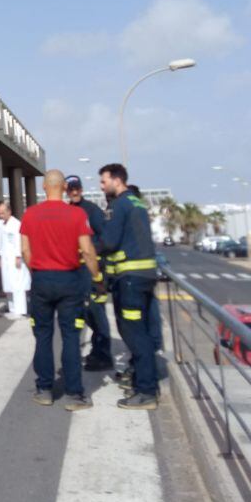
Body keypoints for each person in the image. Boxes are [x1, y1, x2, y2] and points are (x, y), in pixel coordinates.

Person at [20, 169, 104, 412]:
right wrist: (97, 277)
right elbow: (87, 251)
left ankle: (44, 389)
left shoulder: (31, 214)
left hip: (41, 280)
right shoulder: (77, 214)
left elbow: (25, 251)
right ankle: (74, 394)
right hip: (70, 281)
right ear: (64, 189)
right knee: (71, 336)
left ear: (45, 187)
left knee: (43, 335)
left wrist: (37, 271)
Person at [98, 163, 159, 410]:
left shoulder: (120, 205)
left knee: (133, 332)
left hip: (131, 279)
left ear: (117, 180)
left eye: (104, 181)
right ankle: (142, 382)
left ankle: (146, 390)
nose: (102, 186)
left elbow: (110, 242)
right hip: (144, 276)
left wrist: (88, 247)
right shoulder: (137, 202)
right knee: (140, 330)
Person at [66, 175, 112, 371]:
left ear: (82, 190)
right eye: (71, 189)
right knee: (82, 314)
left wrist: (91, 253)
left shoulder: (91, 211)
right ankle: (95, 352)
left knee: (96, 314)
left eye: (77, 188)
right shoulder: (66, 212)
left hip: (93, 271)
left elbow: (105, 238)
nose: (74, 192)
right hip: (75, 271)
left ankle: (103, 355)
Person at [129, 184, 164, 354]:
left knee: (138, 323)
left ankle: (144, 361)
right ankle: (154, 347)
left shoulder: (132, 215)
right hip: (147, 275)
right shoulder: (142, 213)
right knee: (151, 313)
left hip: (134, 278)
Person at [0, 200, 29, 318]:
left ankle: (20, 309)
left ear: (9, 211)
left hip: (15, 258)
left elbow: (19, 241)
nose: (1, 215)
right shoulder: (2, 224)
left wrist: (19, 256)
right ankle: (12, 308)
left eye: (3, 213)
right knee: (8, 284)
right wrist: (0, 256)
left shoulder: (16, 224)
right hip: (5, 258)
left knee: (17, 284)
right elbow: (1, 243)